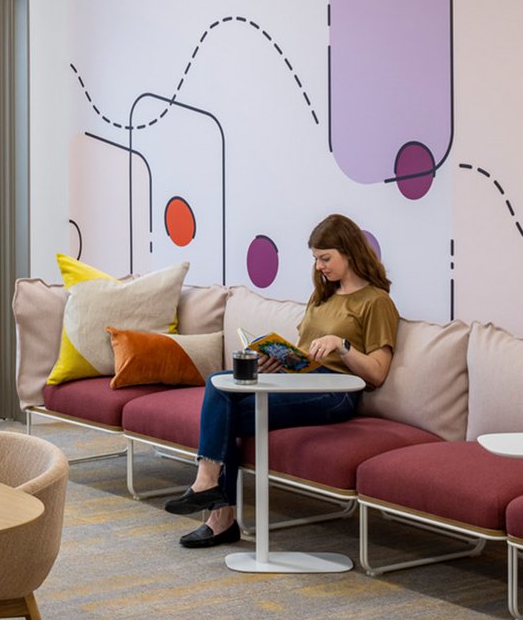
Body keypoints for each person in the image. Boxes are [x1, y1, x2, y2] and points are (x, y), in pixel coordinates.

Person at [166, 213, 401, 548]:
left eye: (326, 258)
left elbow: (377, 373)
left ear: (349, 252)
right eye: (316, 259)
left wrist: (342, 345)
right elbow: (306, 350)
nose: (320, 266)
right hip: (300, 379)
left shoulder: (377, 302)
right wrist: (277, 360)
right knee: (220, 388)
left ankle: (213, 499)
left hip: (335, 390)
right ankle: (218, 509)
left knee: (222, 400)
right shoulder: (323, 297)